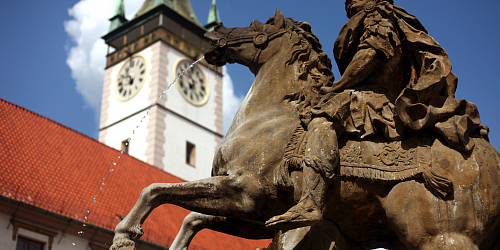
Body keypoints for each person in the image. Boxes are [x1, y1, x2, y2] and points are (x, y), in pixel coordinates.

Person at [266, 0, 487, 230]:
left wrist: (337, 87)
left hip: (374, 98)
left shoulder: (378, 17)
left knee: (323, 116)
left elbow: (368, 56)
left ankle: (310, 201)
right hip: (373, 94)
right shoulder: (384, 18)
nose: (348, 1)